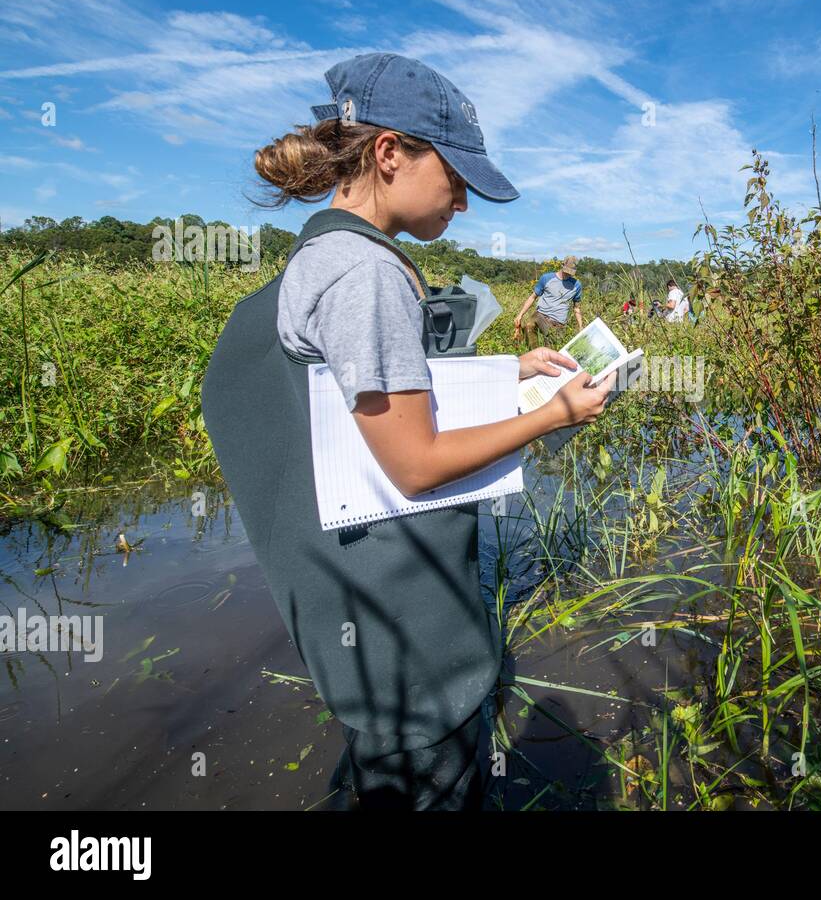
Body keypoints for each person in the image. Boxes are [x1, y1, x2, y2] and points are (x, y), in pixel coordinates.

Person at [200, 53, 614, 811]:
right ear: (389, 153)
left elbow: (373, 400)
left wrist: (506, 371)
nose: (463, 205)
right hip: (413, 653)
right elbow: (415, 464)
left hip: (362, 627)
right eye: (456, 181)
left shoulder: (326, 254)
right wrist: (553, 414)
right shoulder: (371, 275)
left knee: (380, 783)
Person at [514, 256, 583, 348]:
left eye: (571, 272)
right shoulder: (546, 278)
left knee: (551, 351)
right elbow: (533, 297)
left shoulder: (576, 285)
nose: (568, 274)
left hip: (558, 323)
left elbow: (576, 307)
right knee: (529, 326)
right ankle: (535, 353)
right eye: (566, 271)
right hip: (541, 315)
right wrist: (520, 314)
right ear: (562, 265)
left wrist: (580, 326)